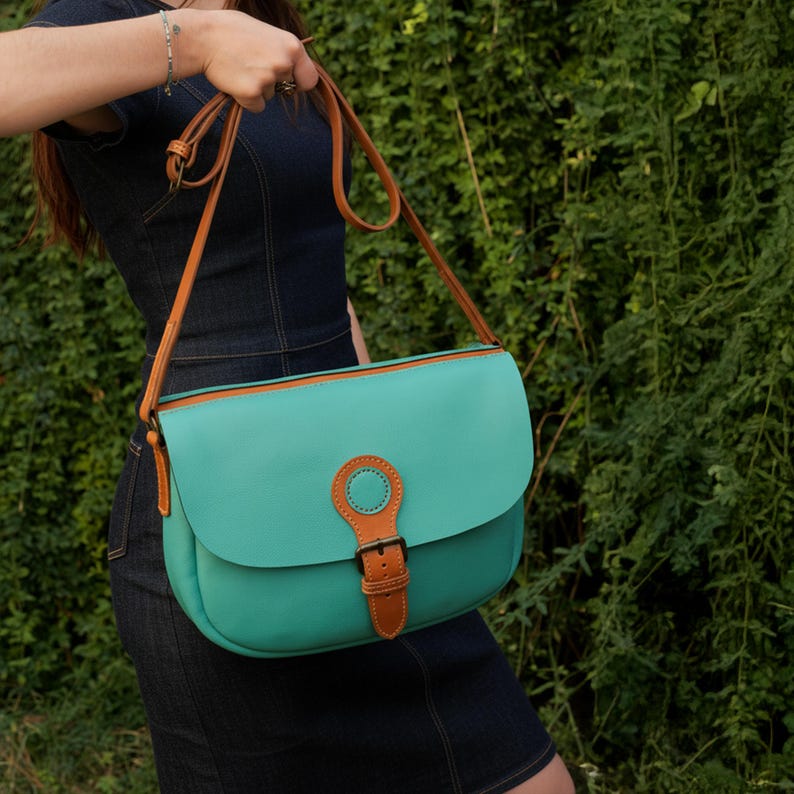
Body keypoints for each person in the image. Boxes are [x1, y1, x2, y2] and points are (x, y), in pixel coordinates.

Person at [1, 2, 576, 792]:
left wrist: (366, 409)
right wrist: (197, 41)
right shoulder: (97, 19)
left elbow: (311, 270)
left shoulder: (264, 16)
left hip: (357, 500)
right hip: (217, 519)